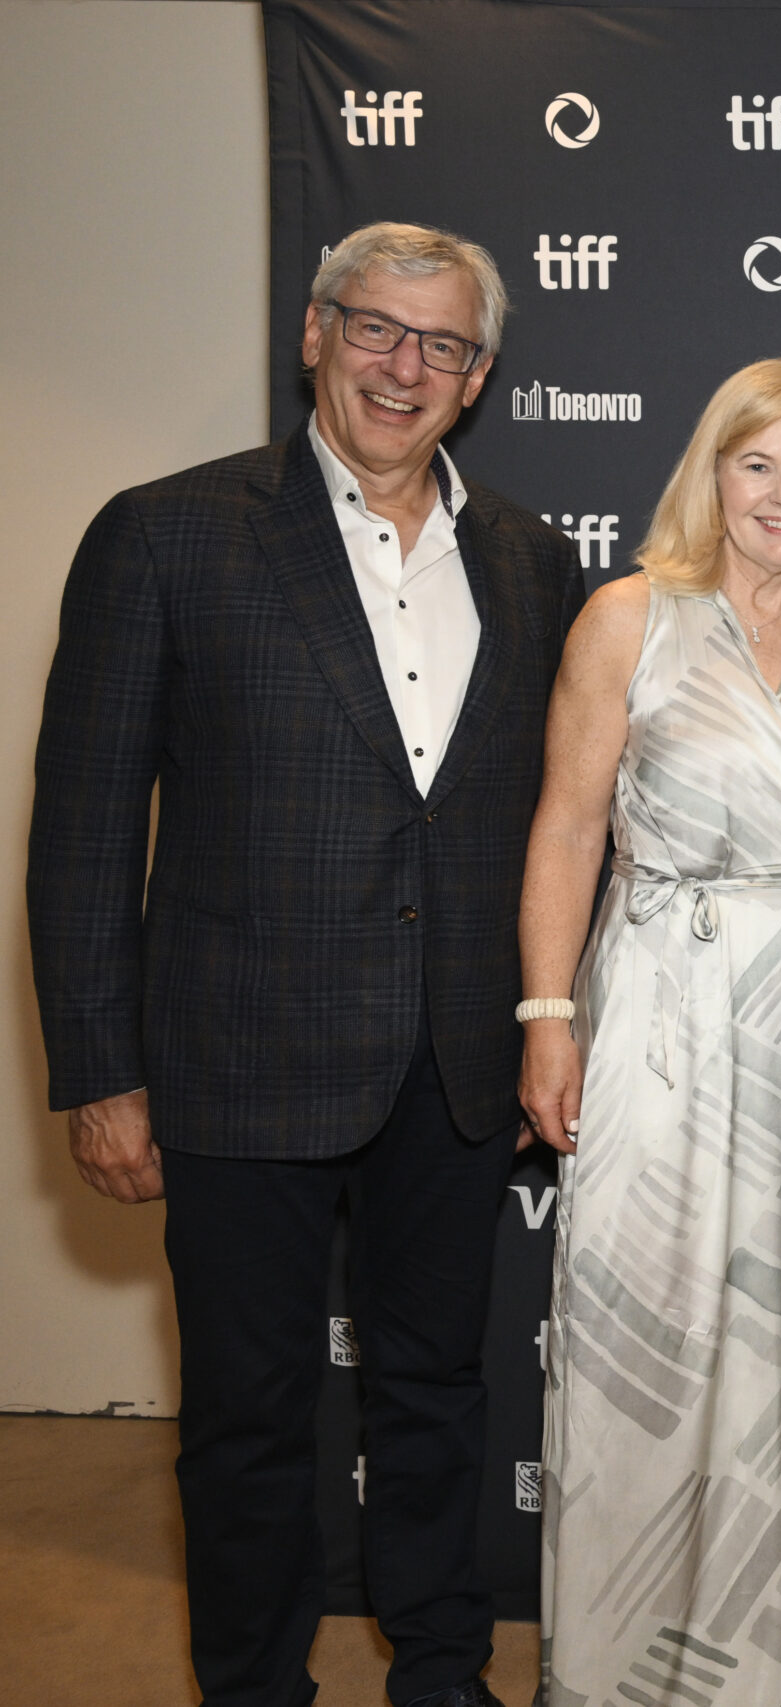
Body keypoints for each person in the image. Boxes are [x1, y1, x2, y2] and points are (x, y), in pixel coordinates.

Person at [27, 222, 579, 1707]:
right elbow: (83, 825)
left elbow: (561, 822)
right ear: (316, 334)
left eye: (445, 343)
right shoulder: (168, 532)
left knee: (437, 1391)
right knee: (249, 1417)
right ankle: (256, 1685)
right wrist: (100, 1071)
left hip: (453, 1062)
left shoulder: (530, 559)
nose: (407, 367)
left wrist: (549, 1021)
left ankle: (443, 1671)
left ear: (479, 375)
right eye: (378, 328)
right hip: (235, 1059)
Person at [517, 357, 781, 1707]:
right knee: (650, 1329)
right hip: (661, 1005)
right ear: (712, 474)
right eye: (758, 465)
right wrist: (548, 1015)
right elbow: (569, 826)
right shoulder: (629, 616)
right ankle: (624, 1668)